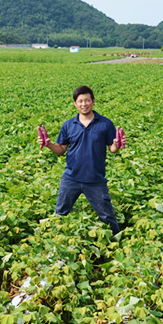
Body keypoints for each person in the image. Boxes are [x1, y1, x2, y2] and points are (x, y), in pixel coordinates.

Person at [38, 85, 125, 235]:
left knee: (108, 217)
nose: (84, 104)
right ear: (75, 104)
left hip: (95, 179)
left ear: (93, 102)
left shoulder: (105, 123)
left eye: (87, 100)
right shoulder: (68, 125)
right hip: (71, 178)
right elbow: (61, 149)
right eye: (80, 101)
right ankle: (52, 245)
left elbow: (112, 149)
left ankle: (119, 243)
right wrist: (49, 145)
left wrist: (117, 144)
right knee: (59, 214)